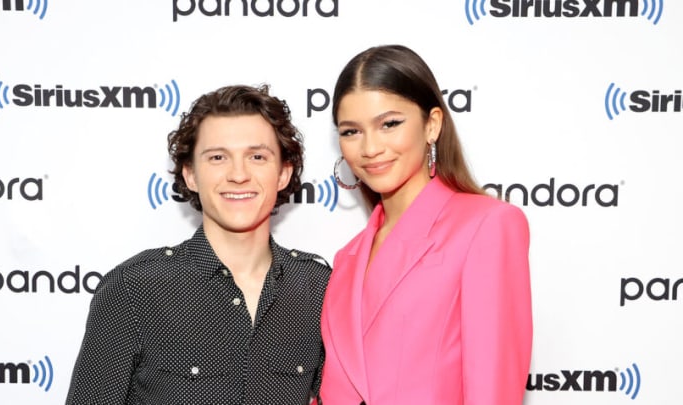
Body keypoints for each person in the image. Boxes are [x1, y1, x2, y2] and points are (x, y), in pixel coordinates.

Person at [66, 84, 331, 405]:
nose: (238, 174)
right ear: (190, 175)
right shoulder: (134, 289)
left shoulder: (319, 289)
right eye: (218, 157)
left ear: (283, 174)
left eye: (257, 156)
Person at [319, 45, 532, 404]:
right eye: (351, 131)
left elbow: (492, 390)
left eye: (389, 124)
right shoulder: (347, 257)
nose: (370, 148)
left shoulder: (487, 226)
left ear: (432, 124)